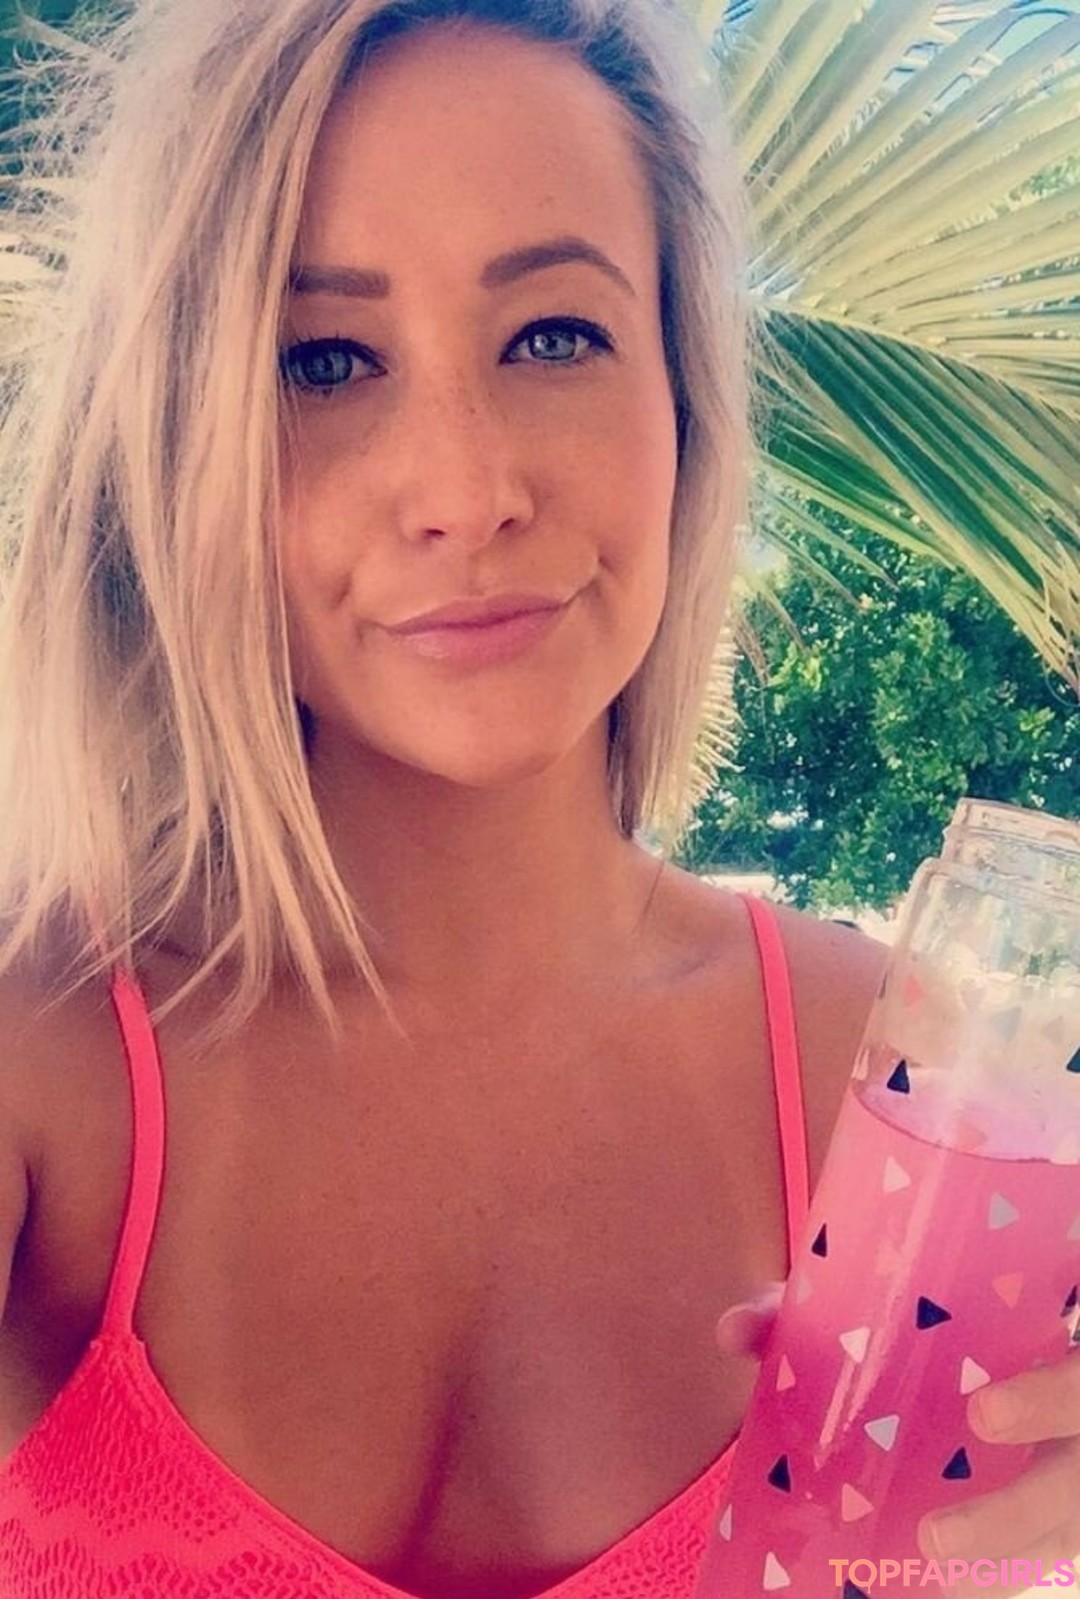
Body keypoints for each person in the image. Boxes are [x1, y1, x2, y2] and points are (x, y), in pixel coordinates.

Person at [0, 2, 1075, 1596]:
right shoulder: (42, 1057)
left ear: (684, 399)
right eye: (323, 361)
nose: (469, 489)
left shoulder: (894, 1084)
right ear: (175, 449)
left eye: (555, 337)